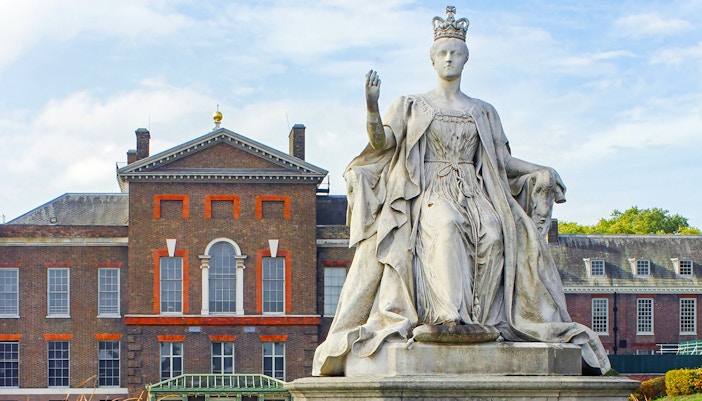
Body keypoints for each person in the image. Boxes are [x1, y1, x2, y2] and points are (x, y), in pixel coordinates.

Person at [312, 6, 610, 376]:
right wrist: (372, 108)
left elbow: (502, 162)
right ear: (432, 60)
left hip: (475, 191)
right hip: (429, 190)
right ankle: (447, 318)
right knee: (446, 225)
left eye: (455, 53)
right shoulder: (411, 105)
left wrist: (540, 171)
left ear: (466, 59)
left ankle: (482, 321)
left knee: (495, 233)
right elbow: (381, 144)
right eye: (443, 53)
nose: (449, 58)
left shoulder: (483, 111)